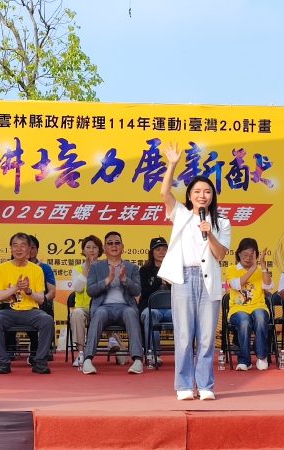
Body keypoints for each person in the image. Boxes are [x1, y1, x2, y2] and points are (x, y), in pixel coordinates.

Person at [159, 144, 231, 401]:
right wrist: (172, 164)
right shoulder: (179, 214)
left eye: (207, 192)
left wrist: (209, 232)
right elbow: (164, 192)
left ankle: (206, 385)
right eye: (197, 191)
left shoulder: (222, 222)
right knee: (184, 335)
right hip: (184, 278)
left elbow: (220, 254)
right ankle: (184, 385)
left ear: (213, 196)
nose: (202, 195)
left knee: (207, 337)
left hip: (208, 280)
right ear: (189, 195)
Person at [0, 232, 53, 375]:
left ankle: (40, 361)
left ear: (29, 249)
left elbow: (41, 299)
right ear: (10, 249)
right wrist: (16, 287)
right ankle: (2, 362)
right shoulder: (2, 268)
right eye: (15, 245)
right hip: (8, 311)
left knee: (47, 320)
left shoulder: (37, 270)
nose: (18, 249)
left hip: (31, 311)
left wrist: (28, 291)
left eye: (23, 245)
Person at [81, 231, 143, 375]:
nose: (114, 246)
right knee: (99, 314)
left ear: (122, 247)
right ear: (105, 248)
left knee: (131, 313)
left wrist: (125, 280)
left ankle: (138, 360)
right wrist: (107, 281)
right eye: (110, 243)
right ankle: (88, 360)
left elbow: (137, 290)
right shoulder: (96, 267)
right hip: (104, 307)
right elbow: (90, 291)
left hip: (125, 307)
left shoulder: (132, 267)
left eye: (117, 243)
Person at [225, 238, 273, 371]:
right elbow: (236, 284)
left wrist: (262, 266)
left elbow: (268, 286)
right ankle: (244, 360)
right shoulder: (231, 269)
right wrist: (253, 268)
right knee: (244, 321)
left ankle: (261, 357)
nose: (248, 258)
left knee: (260, 317)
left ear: (256, 255)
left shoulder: (260, 270)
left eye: (252, 255)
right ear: (238, 254)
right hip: (238, 309)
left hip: (259, 306)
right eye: (245, 254)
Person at [69, 235, 102, 367]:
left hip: (101, 308)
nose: (91, 250)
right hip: (83, 309)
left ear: (100, 250)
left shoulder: (105, 267)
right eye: (88, 247)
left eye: (95, 247)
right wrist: (87, 267)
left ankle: (115, 343)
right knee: (76, 313)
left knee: (107, 311)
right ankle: (81, 353)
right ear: (83, 250)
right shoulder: (77, 269)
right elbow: (78, 288)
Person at [139, 237, 171, 367]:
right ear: (152, 252)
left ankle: (187, 354)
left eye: (164, 249)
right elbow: (143, 293)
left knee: (186, 315)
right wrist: (158, 281)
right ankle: (153, 353)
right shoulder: (144, 270)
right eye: (158, 249)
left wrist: (170, 284)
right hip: (152, 308)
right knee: (150, 315)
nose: (161, 252)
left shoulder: (175, 269)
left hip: (171, 309)